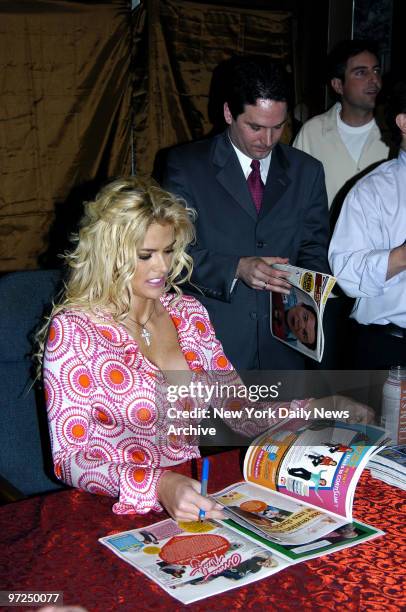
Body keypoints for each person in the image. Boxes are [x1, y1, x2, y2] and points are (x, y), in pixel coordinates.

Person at [39, 177, 328, 521]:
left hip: (192, 496)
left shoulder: (188, 314)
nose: (162, 267)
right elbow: (69, 457)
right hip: (108, 507)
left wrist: (316, 409)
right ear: (108, 254)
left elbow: (240, 410)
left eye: (168, 250)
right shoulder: (75, 330)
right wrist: (158, 484)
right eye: (145, 255)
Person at [162, 55, 330, 370]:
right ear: (228, 113)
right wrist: (236, 268)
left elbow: (314, 251)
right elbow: (171, 254)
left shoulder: (307, 172)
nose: (267, 140)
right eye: (255, 127)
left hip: (285, 352)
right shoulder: (185, 166)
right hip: (211, 345)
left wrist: (303, 292)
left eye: (278, 127)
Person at [328, 80, 406, 369]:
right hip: (390, 350)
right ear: (404, 122)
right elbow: (346, 274)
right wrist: (401, 256)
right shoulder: (371, 191)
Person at [294, 39, 389, 211]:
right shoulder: (312, 133)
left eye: (376, 71)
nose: (374, 79)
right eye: (361, 73)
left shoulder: (396, 132)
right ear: (338, 85)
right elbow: (294, 197)